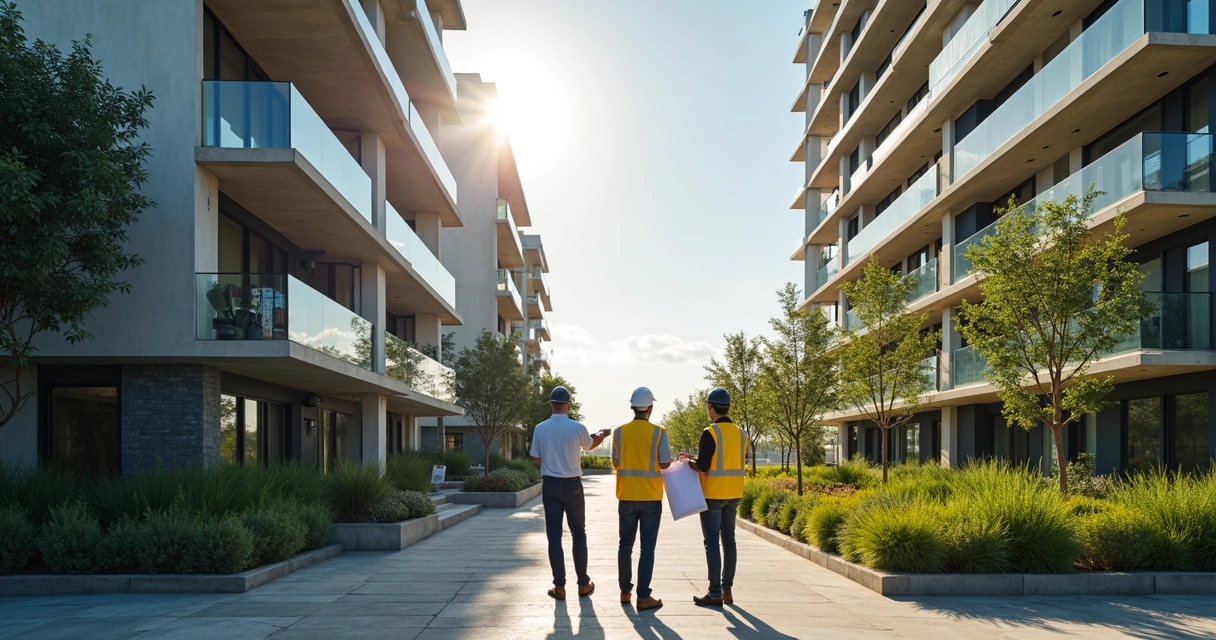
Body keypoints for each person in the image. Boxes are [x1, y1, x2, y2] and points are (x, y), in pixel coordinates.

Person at [531, 386, 610, 600]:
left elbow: (536, 459)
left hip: (550, 485)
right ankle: (583, 584)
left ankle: (559, 587)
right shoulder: (578, 427)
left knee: (554, 537)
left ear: (551, 403)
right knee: (578, 533)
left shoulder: (540, 428)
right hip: (573, 485)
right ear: (569, 405)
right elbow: (590, 445)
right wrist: (601, 435)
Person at [679, 387, 746, 607]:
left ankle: (714, 592)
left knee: (712, 543)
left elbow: (703, 465)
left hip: (713, 495)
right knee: (729, 542)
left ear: (710, 407)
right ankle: (727, 590)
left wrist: (687, 463)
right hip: (734, 493)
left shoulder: (710, 433)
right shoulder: (741, 433)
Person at [612, 387, 672, 611]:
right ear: (650, 408)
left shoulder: (619, 432)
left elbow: (616, 462)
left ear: (632, 406)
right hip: (649, 499)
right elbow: (665, 463)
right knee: (647, 548)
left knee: (625, 545)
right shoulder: (658, 432)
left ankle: (625, 592)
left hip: (626, 496)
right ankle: (644, 596)